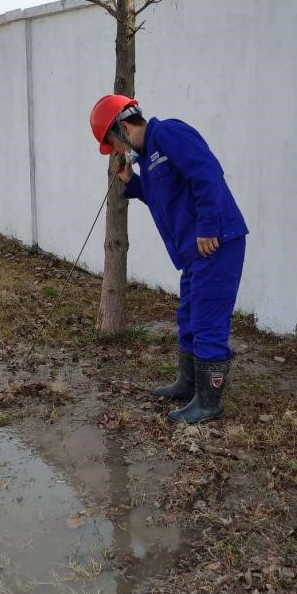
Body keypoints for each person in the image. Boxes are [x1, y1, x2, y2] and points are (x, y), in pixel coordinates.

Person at [88, 95, 249, 424]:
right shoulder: (148, 156)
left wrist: (208, 225)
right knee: (188, 316)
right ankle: (188, 384)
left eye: (113, 144)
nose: (117, 151)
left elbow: (207, 173)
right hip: (193, 252)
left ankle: (210, 403)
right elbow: (162, 198)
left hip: (216, 243)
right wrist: (131, 182)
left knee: (207, 321)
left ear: (124, 128)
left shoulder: (168, 133)